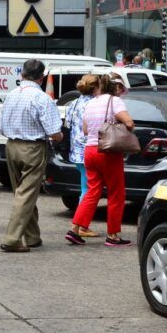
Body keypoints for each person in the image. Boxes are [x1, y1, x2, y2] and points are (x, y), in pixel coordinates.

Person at [0, 59, 63, 253]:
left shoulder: (11, 95)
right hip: (33, 148)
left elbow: (0, 126)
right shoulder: (42, 98)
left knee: (23, 192)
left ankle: (32, 236)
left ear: (22, 74)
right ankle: (11, 239)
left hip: (11, 146)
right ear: (41, 78)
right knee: (26, 194)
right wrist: (60, 136)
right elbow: (53, 132)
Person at [65, 73, 135, 247]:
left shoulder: (90, 103)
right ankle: (113, 235)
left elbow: (86, 130)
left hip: (89, 151)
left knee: (92, 191)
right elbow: (129, 123)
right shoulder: (115, 101)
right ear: (114, 88)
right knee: (116, 193)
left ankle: (75, 229)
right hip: (108, 151)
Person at [63, 75, 101, 238]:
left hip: (76, 150)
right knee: (88, 190)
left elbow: (68, 124)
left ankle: (81, 224)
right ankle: (81, 225)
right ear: (95, 88)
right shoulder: (94, 104)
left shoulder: (74, 103)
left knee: (85, 187)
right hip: (89, 149)